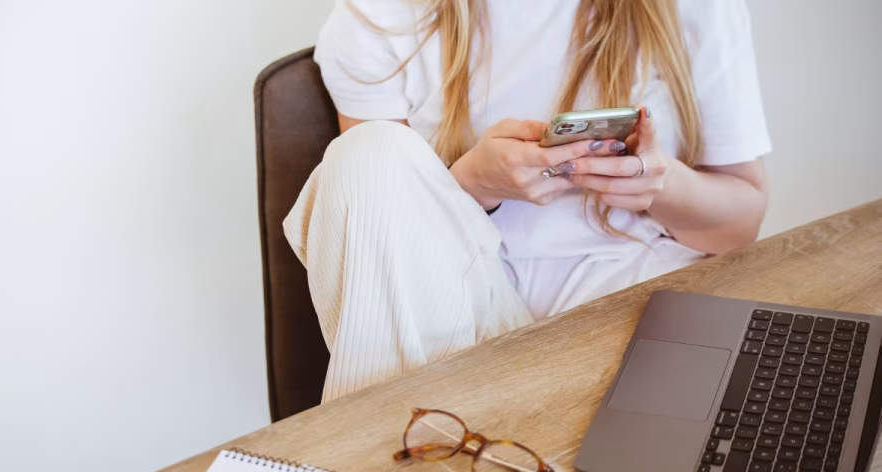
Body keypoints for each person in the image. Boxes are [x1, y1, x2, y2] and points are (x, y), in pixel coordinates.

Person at [284, 0, 771, 402]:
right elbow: (379, 231)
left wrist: (659, 185)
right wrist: (472, 184)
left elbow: (739, 224)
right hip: (461, 307)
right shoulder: (376, 17)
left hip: (634, 293)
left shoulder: (694, 8)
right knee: (365, 152)